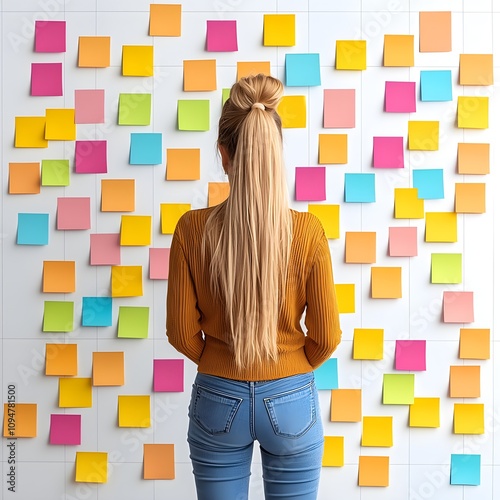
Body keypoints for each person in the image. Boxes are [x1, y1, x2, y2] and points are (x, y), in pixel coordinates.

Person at [166, 74, 341, 500]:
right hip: (292, 397)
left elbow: (180, 332)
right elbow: (328, 336)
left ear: (224, 154)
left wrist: (222, 361)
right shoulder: (308, 231)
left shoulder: (191, 229)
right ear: (274, 152)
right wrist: (285, 369)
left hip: (217, 396)